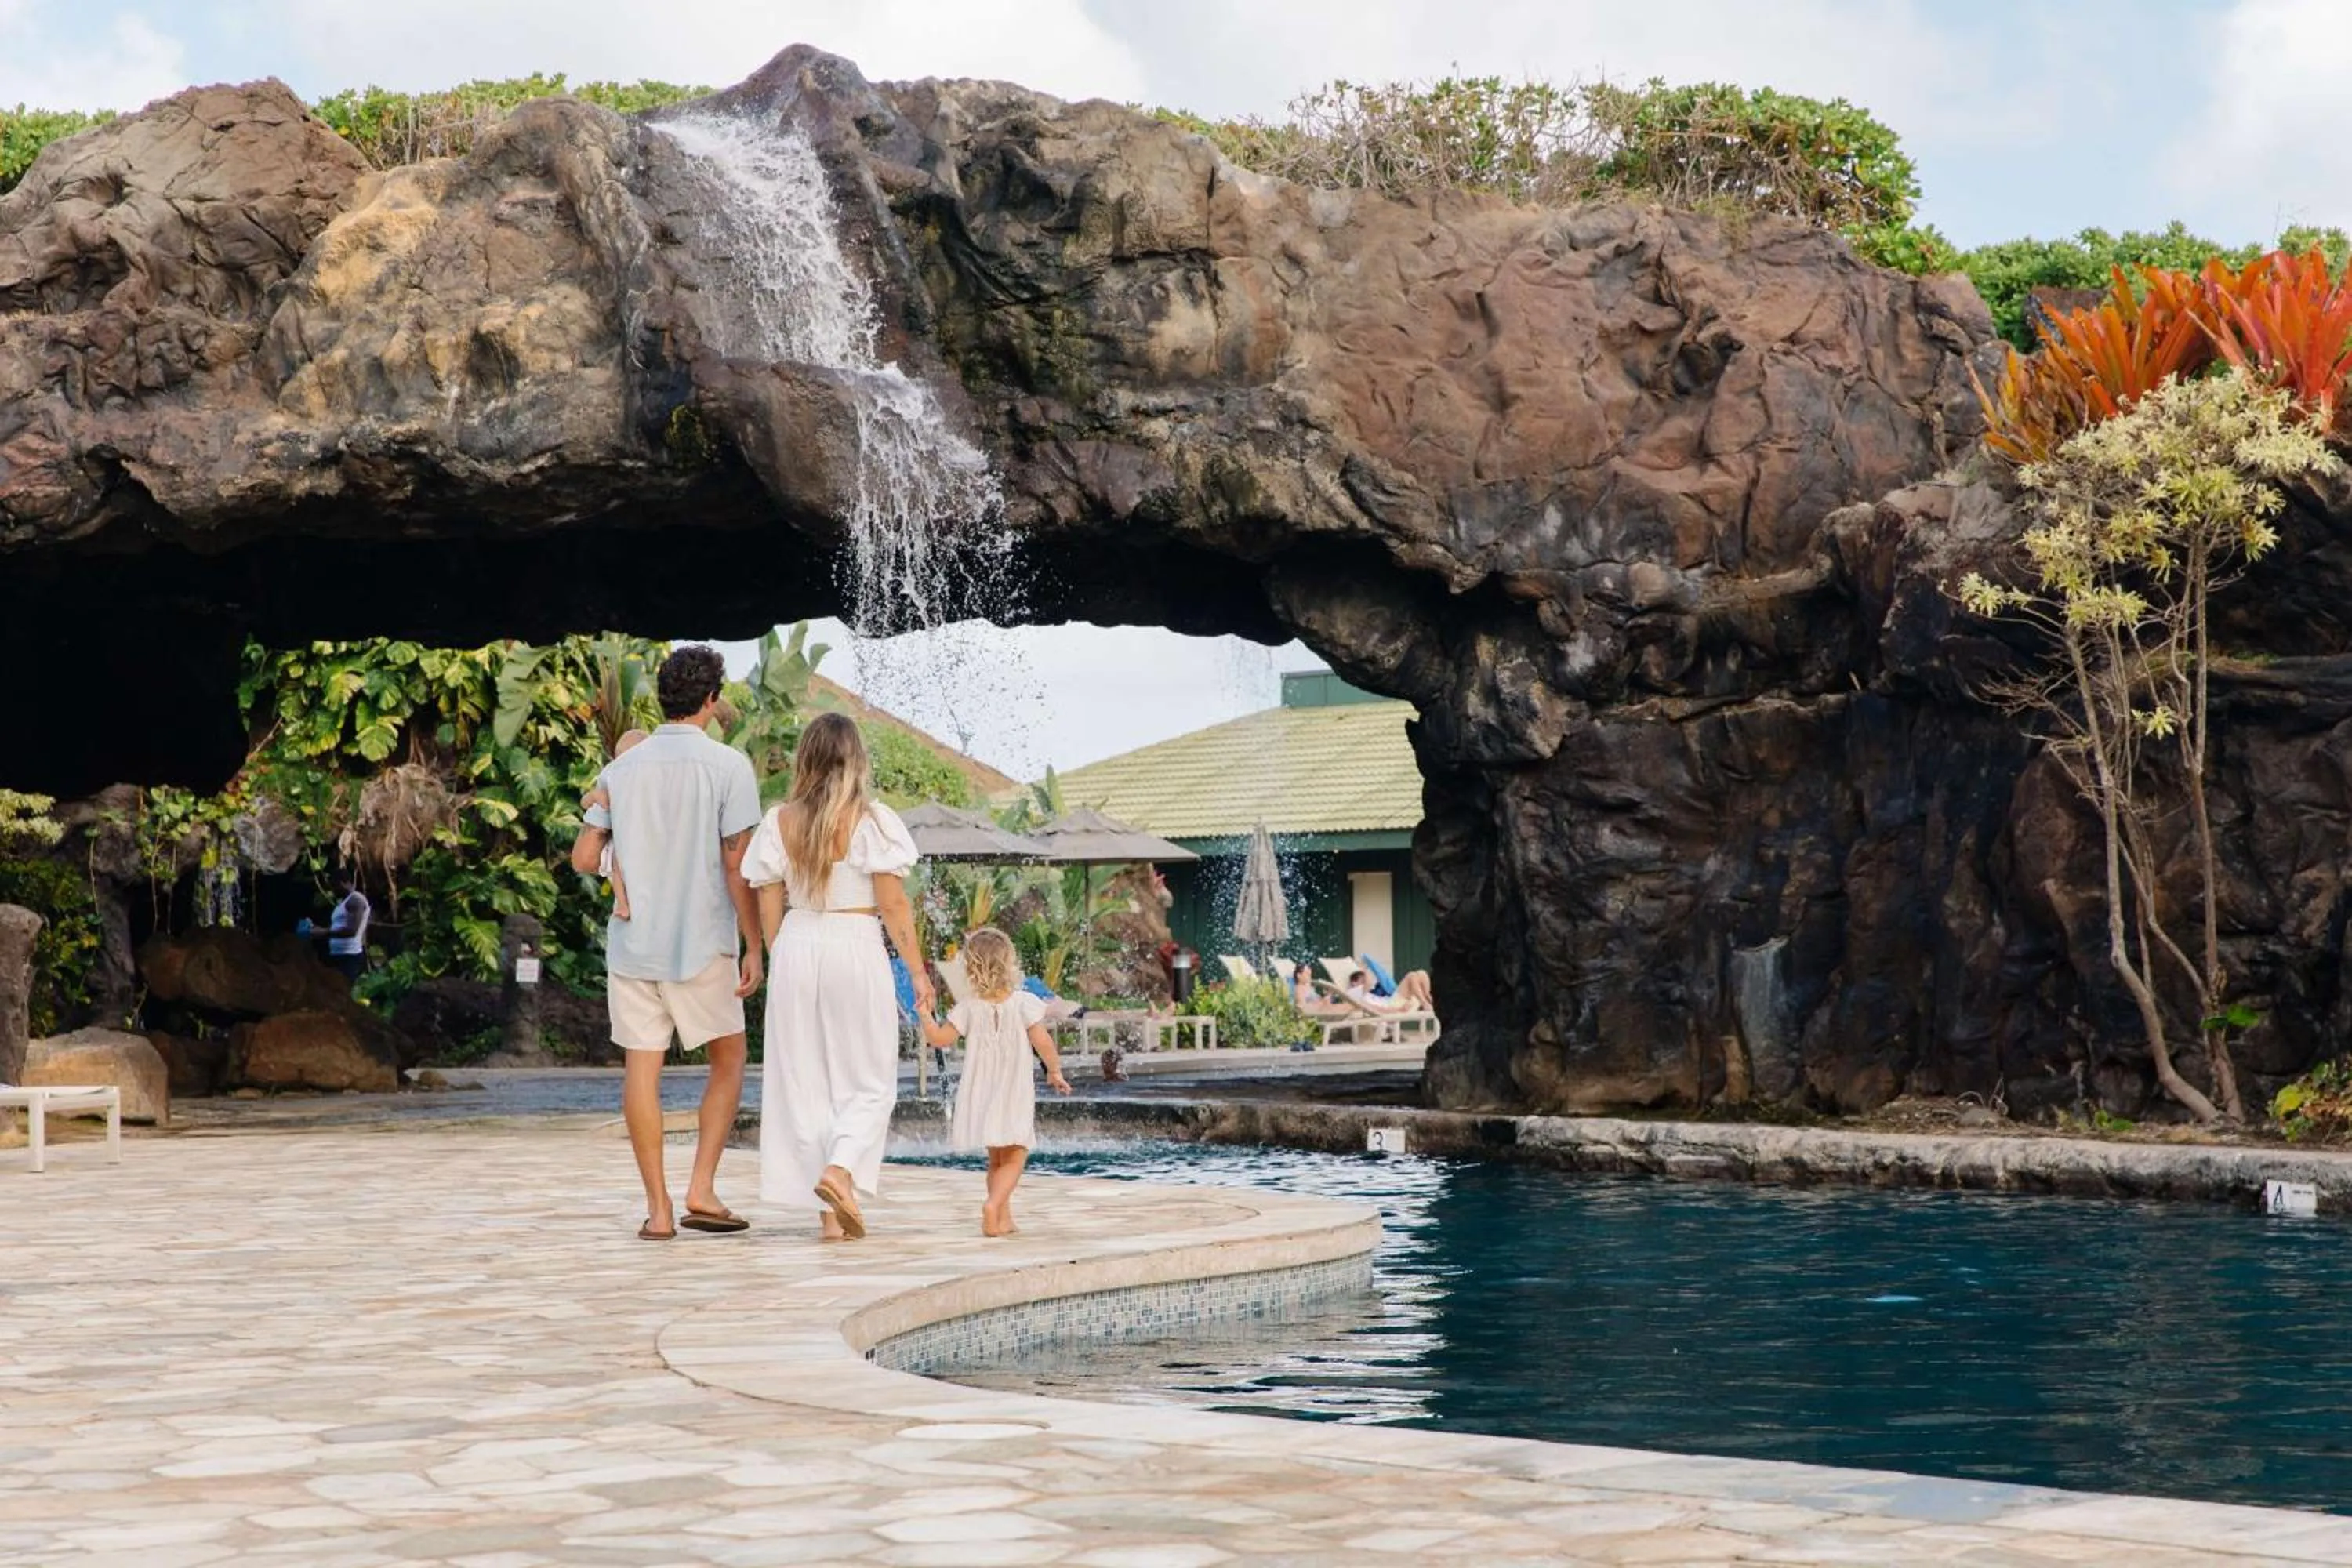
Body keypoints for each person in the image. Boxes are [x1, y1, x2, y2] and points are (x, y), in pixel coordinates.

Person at [569, 647, 762, 1243]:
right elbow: (737, 867)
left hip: (634, 946)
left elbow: (584, 855)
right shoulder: (729, 766)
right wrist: (755, 944)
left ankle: (657, 1210)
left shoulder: (620, 771)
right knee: (729, 1059)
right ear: (710, 699)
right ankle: (701, 1187)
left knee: (641, 1069)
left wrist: (614, 870)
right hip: (703, 941)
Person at [742, 712, 928, 1242]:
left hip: (797, 943)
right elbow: (893, 905)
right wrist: (918, 972)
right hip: (854, 941)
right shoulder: (874, 820)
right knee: (870, 1079)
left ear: (807, 758)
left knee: (806, 1085)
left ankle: (830, 1217)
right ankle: (840, 1171)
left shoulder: (778, 820)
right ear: (856, 760)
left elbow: (767, 897)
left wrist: (782, 957)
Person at [920, 927, 1072, 1236]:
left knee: (996, 1158)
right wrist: (1054, 1071)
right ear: (1009, 964)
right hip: (1013, 1089)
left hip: (981, 1089)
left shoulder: (968, 1007)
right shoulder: (1023, 1002)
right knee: (1016, 1153)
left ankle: (1002, 1219)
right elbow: (1042, 1042)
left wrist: (925, 1014)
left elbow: (938, 1039)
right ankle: (992, 1207)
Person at [580, 728, 650, 920]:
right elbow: (584, 802)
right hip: (621, 838)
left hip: (644, 839)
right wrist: (595, 797)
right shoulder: (610, 777)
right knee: (619, 863)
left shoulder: (651, 779)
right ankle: (623, 903)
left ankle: (626, 903)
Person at [324, 873, 371, 988]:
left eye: (334, 887)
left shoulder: (356, 900)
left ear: (343, 883)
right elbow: (339, 926)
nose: (333, 891)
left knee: (346, 991)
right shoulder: (344, 902)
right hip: (339, 955)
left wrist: (324, 933)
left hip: (350, 956)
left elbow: (352, 930)